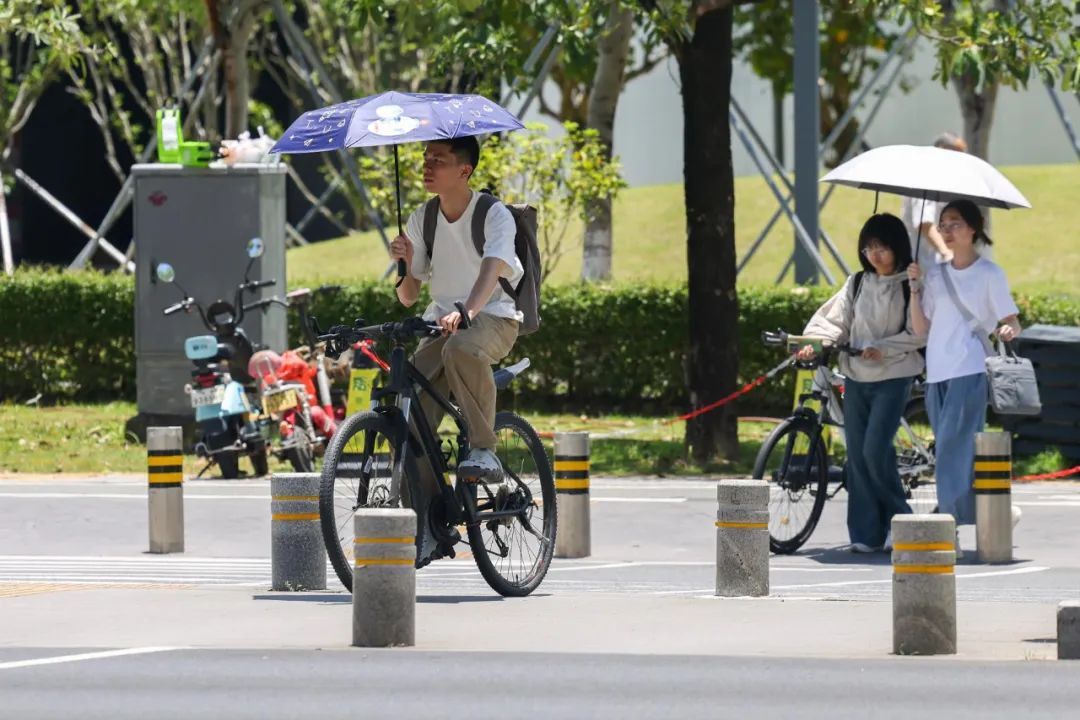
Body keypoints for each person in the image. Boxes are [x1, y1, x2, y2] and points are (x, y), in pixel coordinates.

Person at [389, 135, 522, 481]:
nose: (427, 165)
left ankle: (484, 449)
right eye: (425, 157)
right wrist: (404, 263)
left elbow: (492, 270)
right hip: (440, 324)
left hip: (493, 317)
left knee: (460, 348)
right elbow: (408, 297)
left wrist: (467, 313)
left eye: (439, 160)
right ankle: (429, 522)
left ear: (465, 170)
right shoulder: (423, 218)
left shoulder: (494, 215)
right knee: (410, 404)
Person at [799, 213, 926, 553]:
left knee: (873, 449)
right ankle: (867, 535)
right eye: (868, 247)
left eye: (882, 247)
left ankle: (905, 522)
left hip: (895, 376)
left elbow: (918, 334)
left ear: (898, 247)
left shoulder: (909, 283)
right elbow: (832, 321)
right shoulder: (856, 283)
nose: (875, 255)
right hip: (855, 375)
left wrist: (883, 348)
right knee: (857, 454)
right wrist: (813, 341)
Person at [907, 199, 1021, 555]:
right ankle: (996, 512)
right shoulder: (936, 275)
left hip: (970, 370)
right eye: (942, 224)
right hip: (936, 372)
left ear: (974, 228)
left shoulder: (990, 274)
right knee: (950, 452)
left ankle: (949, 529)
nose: (946, 230)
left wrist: (1005, 330)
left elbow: (1011, 321)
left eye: (955, 223)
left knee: (952, 452)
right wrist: (914, 288)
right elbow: (921, 328)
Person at [901, 132, 968, 268]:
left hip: (932, 262)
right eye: (956, 155)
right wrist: (946, 253)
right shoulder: (925, 178)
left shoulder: (942, 180)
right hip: (918, 263)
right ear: (941, 151)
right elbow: (924, 223)